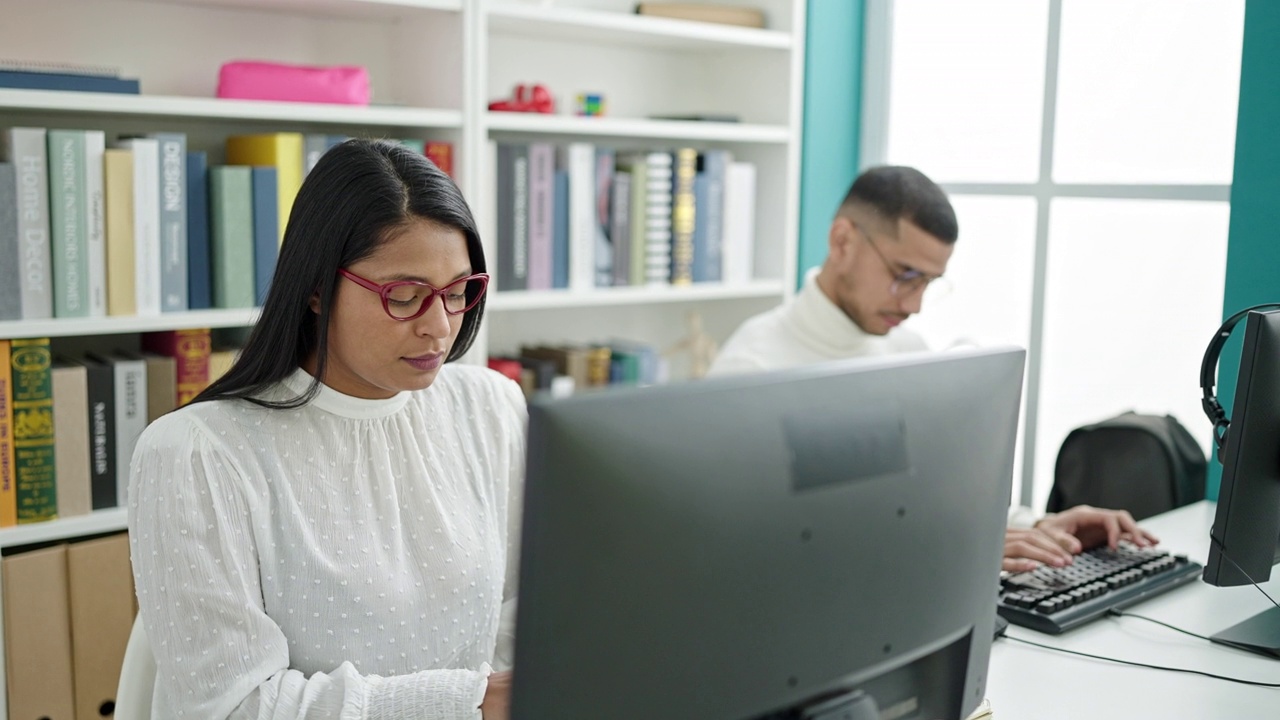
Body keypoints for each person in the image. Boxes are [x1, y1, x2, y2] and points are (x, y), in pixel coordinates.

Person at [128, 139, 523, 719]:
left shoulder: (491, 409)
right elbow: (233, 708)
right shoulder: (197, 454)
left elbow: (529, 614)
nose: (439, 327)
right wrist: (466, 703)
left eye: (459, 291)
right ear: (316, 288)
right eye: (405, 296)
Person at [708, 165, 1157, 572]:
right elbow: (753, 550)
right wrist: (954, 545)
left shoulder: (909, 351)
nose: (916, 305)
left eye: (928, 283)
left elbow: (925, 502)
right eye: (905, 276)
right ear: (842, 241)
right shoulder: (748, 372)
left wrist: (1040, 526)